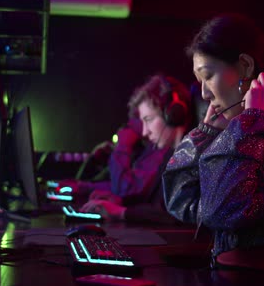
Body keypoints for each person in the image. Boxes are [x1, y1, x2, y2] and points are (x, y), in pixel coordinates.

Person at [162, 13, 264, 279]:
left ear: (246, 67)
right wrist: (205, 135)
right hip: (229, 279)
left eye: (208, 76)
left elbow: (224, 210)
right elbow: (183, 201)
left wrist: (251, 122)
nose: (203, 93)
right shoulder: (239, 131)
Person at [77, 74, 193, 223]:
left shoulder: (191, 157)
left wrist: (122, 212)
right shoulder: (171, 154)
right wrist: (120, 202)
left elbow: (175, 216)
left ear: (173, 113)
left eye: (149, 120)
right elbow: (156, 204)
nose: (145, 132)